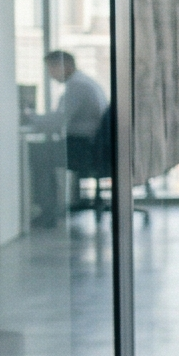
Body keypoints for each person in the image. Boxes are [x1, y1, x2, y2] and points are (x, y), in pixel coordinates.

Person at [28, 49, 108, 228]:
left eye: (51, 69)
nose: (50, 75)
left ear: (65, 66)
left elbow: (58, 120)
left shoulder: (78, 86)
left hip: (85, 149)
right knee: (42, 151)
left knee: (36, 155)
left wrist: (29, 117)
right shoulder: (84, 82)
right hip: (92, 147)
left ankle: (47, 212)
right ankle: (49, 209)